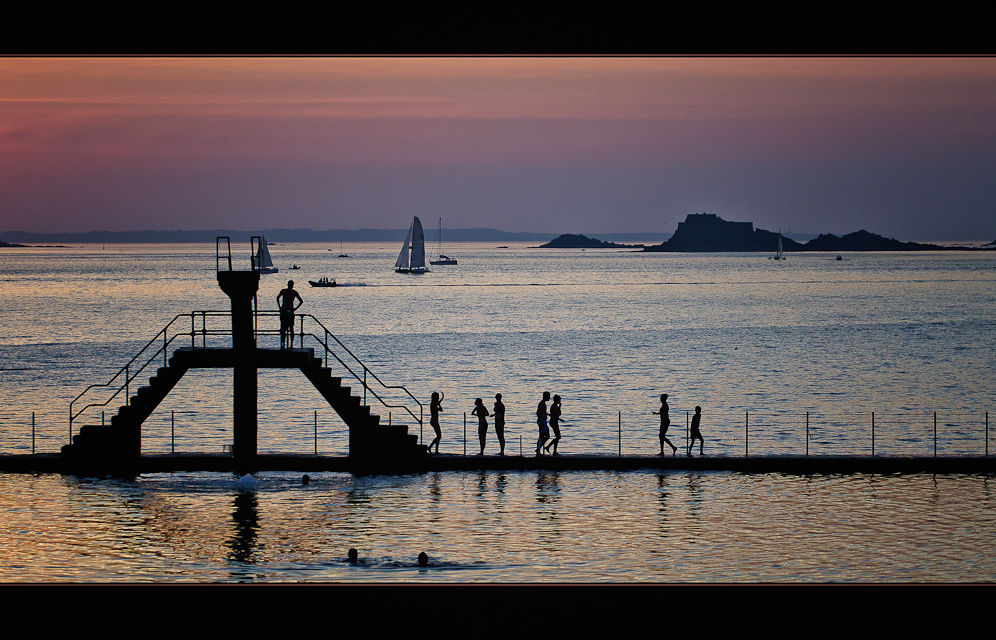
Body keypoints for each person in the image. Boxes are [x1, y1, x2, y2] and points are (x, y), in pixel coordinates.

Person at [276, 280, 303, 349]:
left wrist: (295, 308)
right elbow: (277, 298)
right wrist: (280, 307)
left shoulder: (294, 292)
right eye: (290, 284)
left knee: (291, 328)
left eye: (292, 285)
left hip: (290, 311)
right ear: (288, 284)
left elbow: (301, 301)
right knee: (283, 328)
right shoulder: (283, 291)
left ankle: (291, 343)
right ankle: (283, 343)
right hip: (284, 311)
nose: (291, 286)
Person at [536, 391, 551, 456]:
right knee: (547, 436)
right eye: (548, 396)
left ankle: (538, 449)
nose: (549, 398)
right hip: (542, 421)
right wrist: (541, 422)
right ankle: (538, 448)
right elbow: (538, 413)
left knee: (541, 436)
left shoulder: (543, 403)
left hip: (543, 420)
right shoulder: (541, 404)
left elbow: (542, 412)